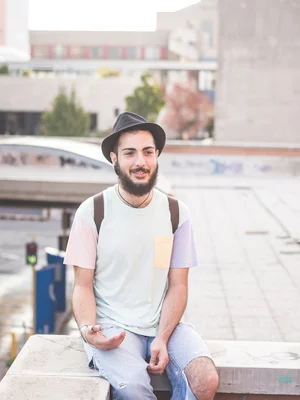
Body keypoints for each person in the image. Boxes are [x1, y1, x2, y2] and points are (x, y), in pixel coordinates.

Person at [63, 112, 219, 400]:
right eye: (130, 153)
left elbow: (178, 285)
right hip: (113, 327)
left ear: (157, 155)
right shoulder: (93, 211)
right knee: (134, 390)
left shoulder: (176, 213)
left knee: (204, 378)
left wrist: (162, 336)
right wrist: (87, 330)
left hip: (164, 326)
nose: (140, 162)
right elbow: (82, 285)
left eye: (148, 152)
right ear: (114, 158)